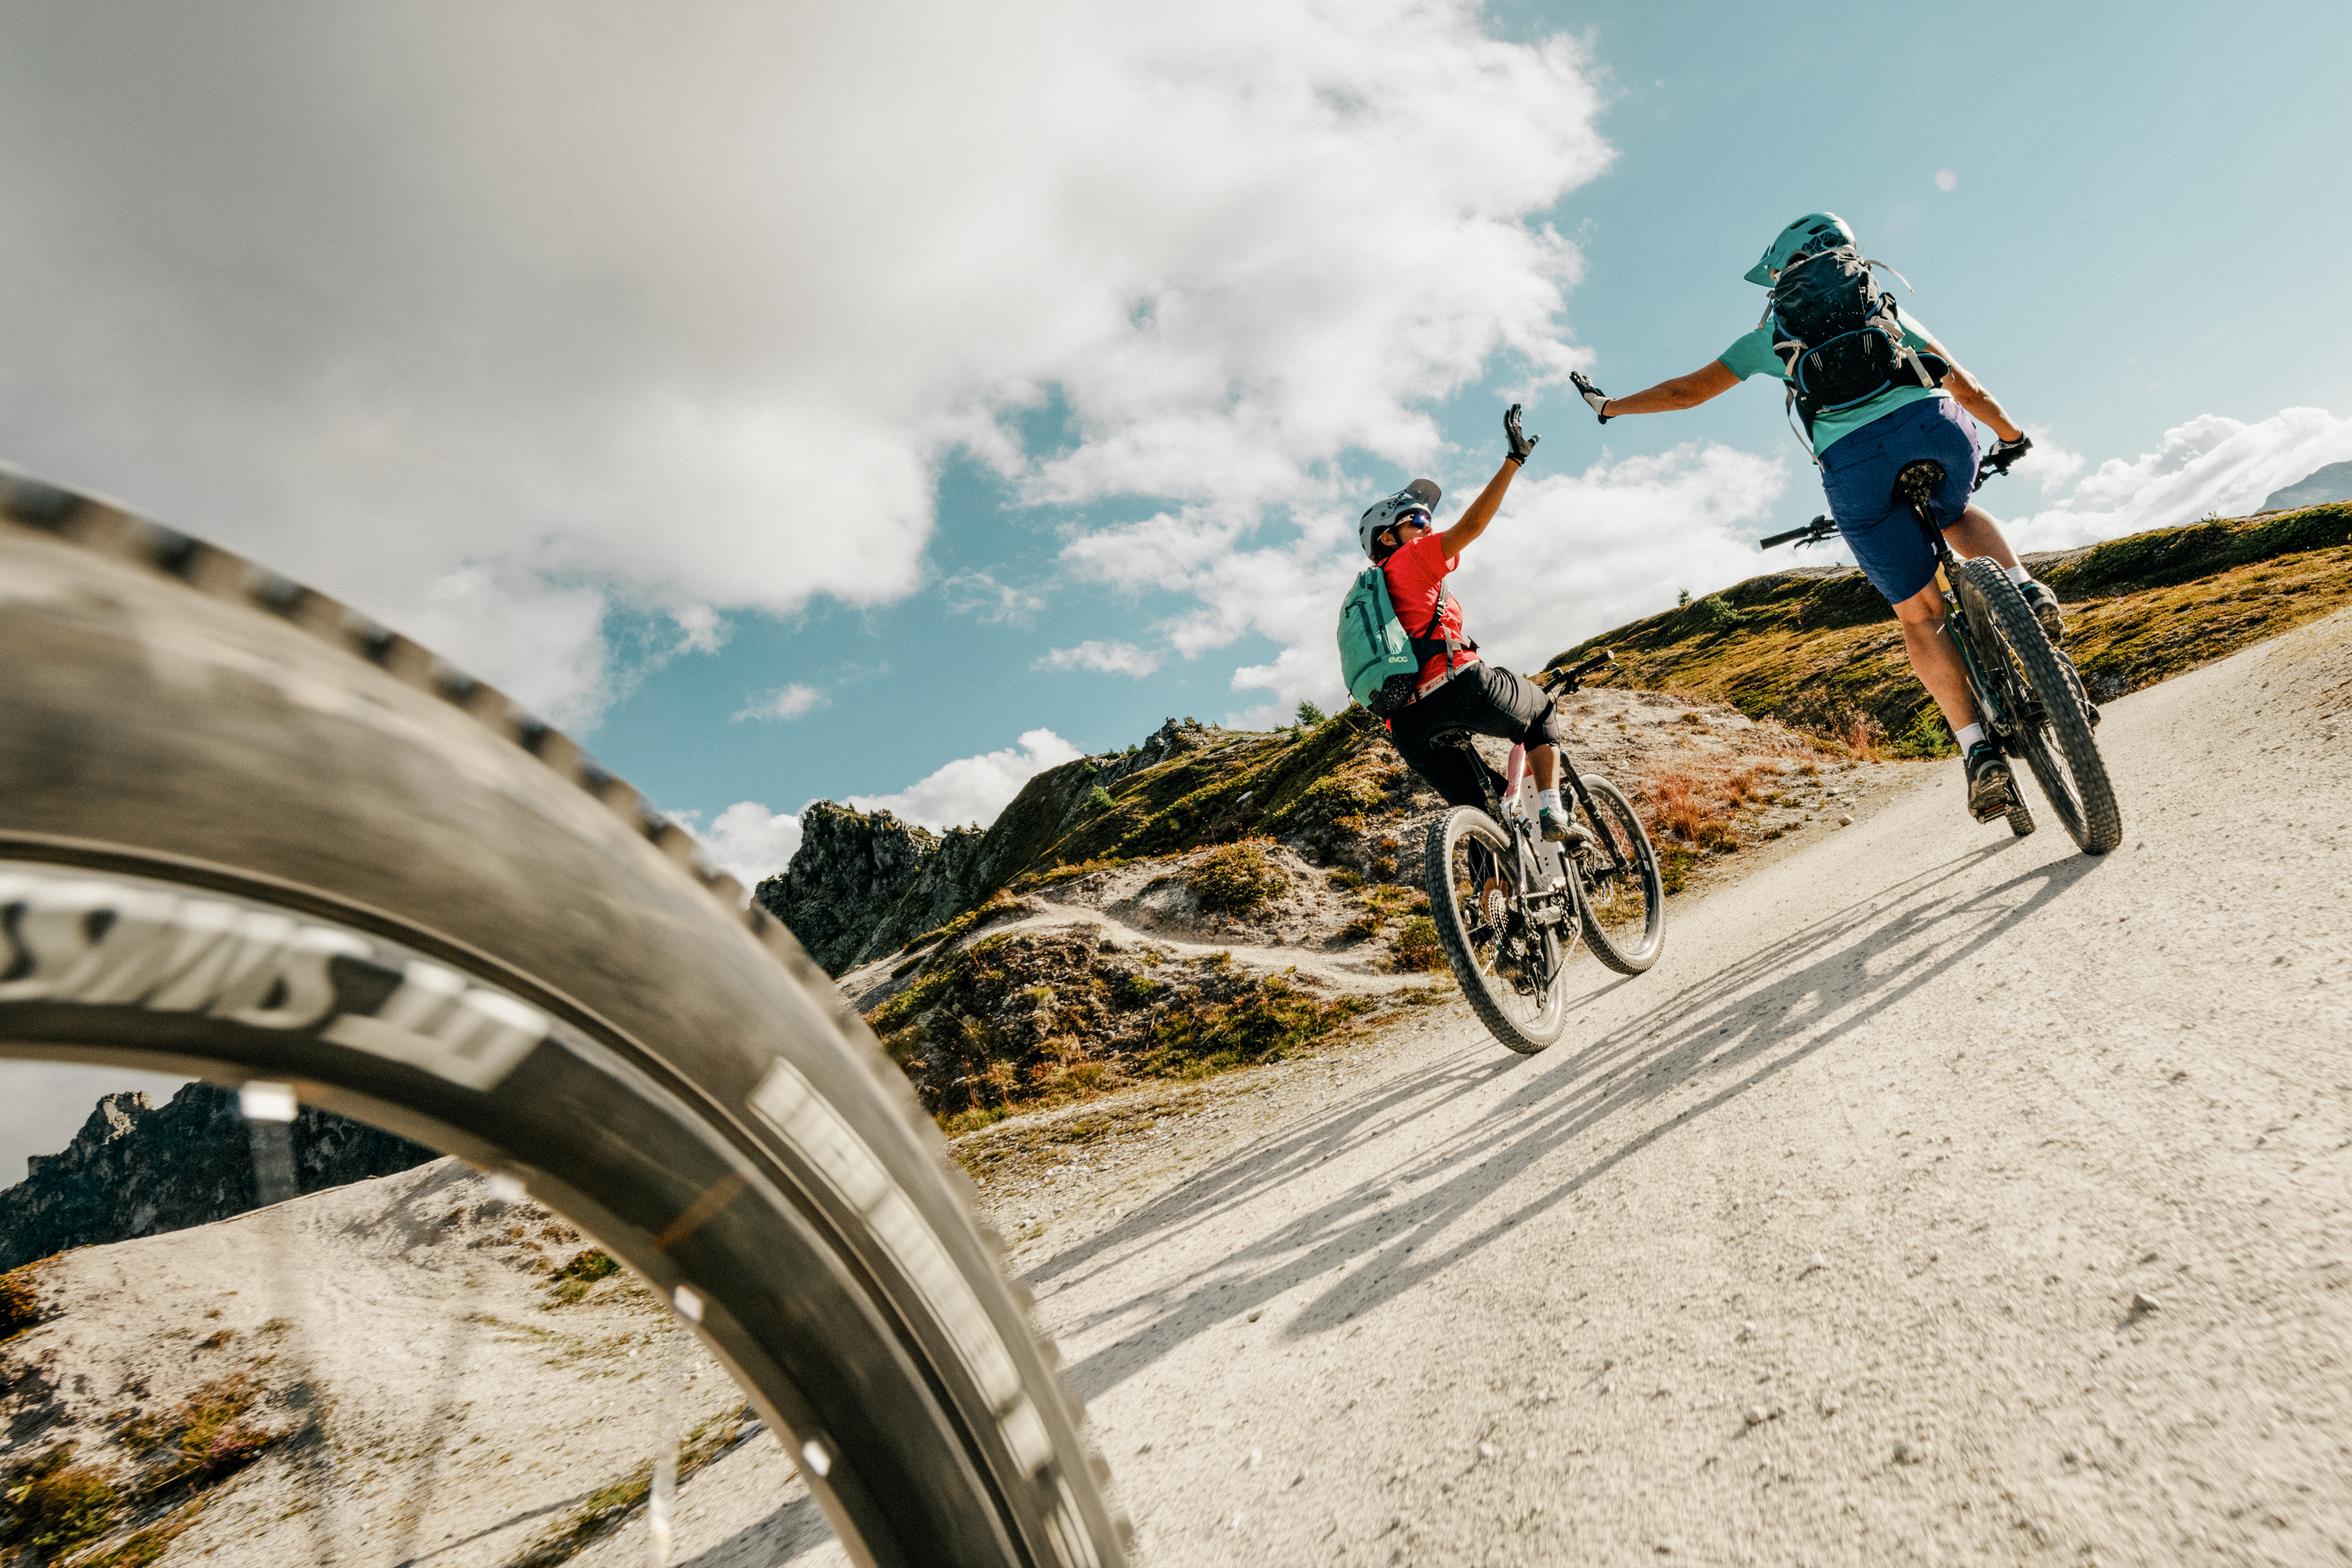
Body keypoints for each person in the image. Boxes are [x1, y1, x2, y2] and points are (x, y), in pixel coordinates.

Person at [1565, 211, 2059, 823]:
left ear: (1780, 271)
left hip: (1855, 466)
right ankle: (2023, 586)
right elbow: (1968, 386)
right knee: (1955, 509)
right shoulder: (1882, 307)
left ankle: (1978, 752)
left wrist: (1610, 407)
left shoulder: (1772, 333)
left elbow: (1685, 392)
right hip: (1934, 429)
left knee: (1921, 615)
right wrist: (2011, 436)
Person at [1359, 406, 1589, 846]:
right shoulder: (1408, 559)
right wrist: (1513, 462)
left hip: (1408, 728)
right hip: (1457, 686)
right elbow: (1472, 525)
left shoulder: (1371, 594)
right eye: (1419, 521)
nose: (1429, 528)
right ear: (1388, 539)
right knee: (1540, 710)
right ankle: (1553, 812)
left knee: (1485, 822)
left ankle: (1494, 910)